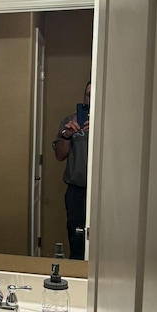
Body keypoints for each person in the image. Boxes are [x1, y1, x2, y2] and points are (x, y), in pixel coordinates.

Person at [52, 81, 91, 259]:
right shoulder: (70, 122)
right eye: (88, 94)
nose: (90, 99)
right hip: (77, 192)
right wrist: (66, 135)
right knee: (77, 239)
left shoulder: (112, 123)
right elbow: (60, 156)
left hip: (106, 194)